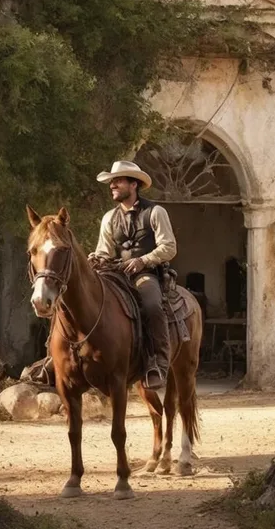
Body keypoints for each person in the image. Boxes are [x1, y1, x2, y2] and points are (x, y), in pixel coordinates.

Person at [92, 161, 177, 390]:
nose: (112, 185)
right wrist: (97, 259)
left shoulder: (156, 212)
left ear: (134, 184)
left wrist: (142, 260)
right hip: (115, 274)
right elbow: (104, 250)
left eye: (117, 181)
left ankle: (158, 362)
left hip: (145, 274)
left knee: (151, 305)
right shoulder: (109, 218)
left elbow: (169, 247)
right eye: (111, 181)